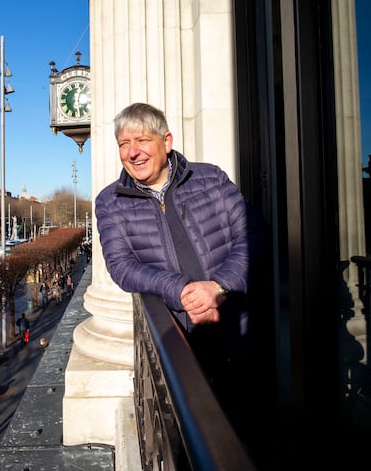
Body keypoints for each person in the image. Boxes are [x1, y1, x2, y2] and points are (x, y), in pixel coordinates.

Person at [94, 103, 264, 449]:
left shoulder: (210, 178)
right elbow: (122, 266)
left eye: (142, 140)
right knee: (199, 439)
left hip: (239, 327)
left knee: (251, 429)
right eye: (124, 144)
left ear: (167, 141)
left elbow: (253, 233)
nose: (133, 152)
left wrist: (220, 287)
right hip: (179, 340)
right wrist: (182, 290)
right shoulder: (110, 201)